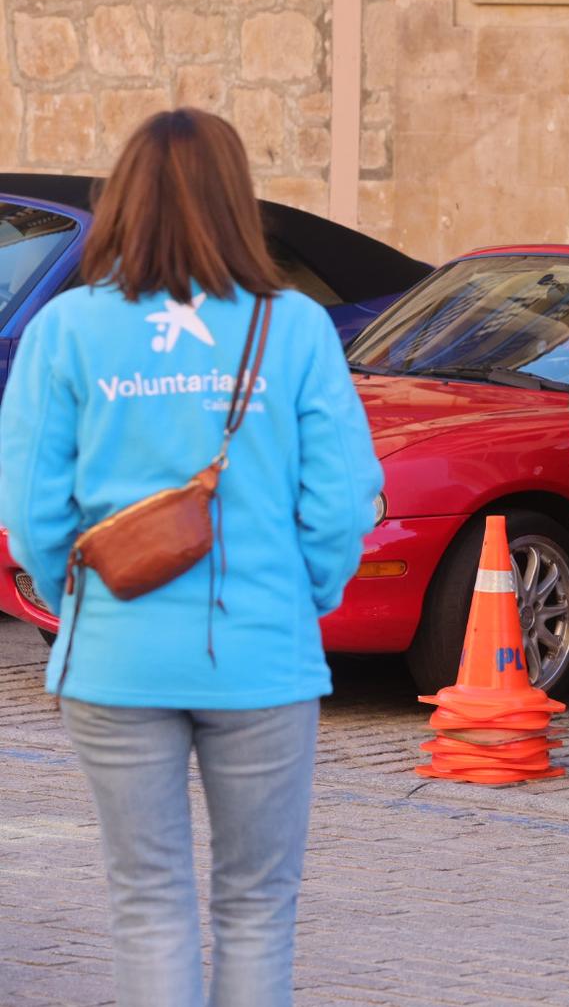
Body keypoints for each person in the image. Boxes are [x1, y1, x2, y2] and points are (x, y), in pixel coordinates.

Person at [0, 108, 383, 1005]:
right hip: (260, 653)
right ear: (235, 202)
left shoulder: (67, 331)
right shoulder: (291, 328)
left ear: (122, 199)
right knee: (257, 906)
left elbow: (28, 507)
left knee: (147, 903)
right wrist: (303, 597)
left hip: (113, 657)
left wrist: (77, 598)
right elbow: (340, 499)